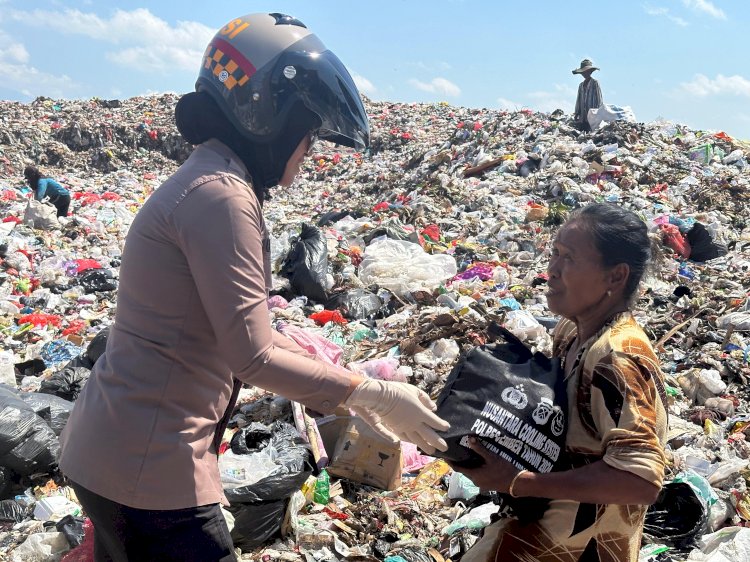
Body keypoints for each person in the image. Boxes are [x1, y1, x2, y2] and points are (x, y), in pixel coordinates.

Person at [58, 13, 449, 562]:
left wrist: (353, 382)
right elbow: (254, 356)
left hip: (112, 449)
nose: (308, 152)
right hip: (148, 469)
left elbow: (248, 329)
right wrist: (371, 394)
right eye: (308, 133)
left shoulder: (207, 179)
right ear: (271, 116)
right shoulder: (223, 196)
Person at [453, 203, 667, 562]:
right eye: (554, 254)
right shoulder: (572, 331)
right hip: (536, 531)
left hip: (579, 547)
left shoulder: (618, 357)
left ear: (615, 277)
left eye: (568, 258)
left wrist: (518, 482)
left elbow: (641, 481)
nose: (550, 270)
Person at [572, 58, 603, 132]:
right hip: (583, 117)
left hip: (593, 117)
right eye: (583, 72)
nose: (585, 74)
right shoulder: (581, 85)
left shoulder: (595, 83)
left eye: (586, 72)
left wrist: (598, 114)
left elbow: (599, 100)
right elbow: (578, 101)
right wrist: (577, 113)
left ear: (590, 72)